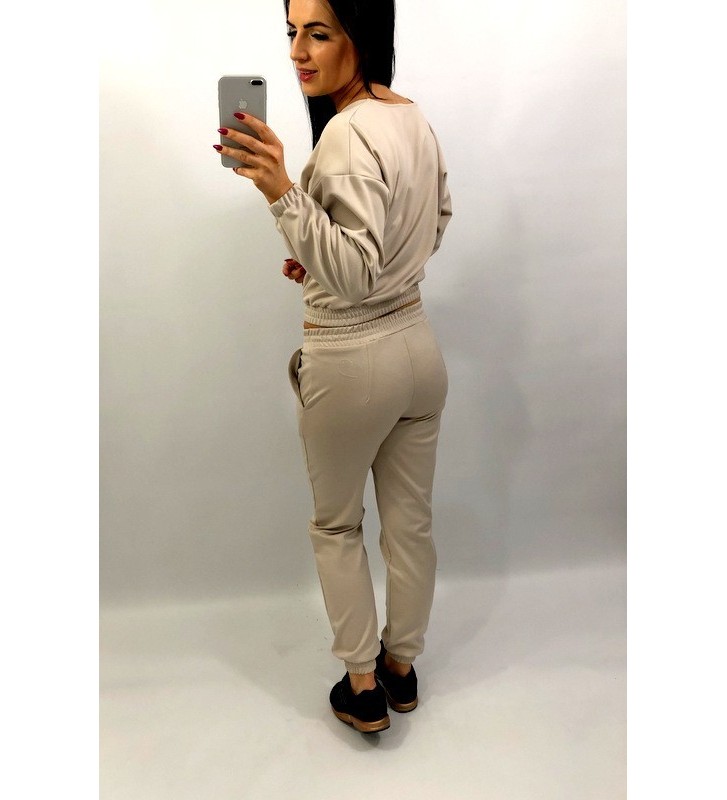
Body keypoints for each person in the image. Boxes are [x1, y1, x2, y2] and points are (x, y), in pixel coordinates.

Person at [212, 0, 452, 734]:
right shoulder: (410, 116)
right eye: (292, 32)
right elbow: (435, 219)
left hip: (353, 362)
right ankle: (402, 667)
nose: (297, 52)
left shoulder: (346, 133)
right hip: (419, 350)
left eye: (318, 32)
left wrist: (282, 192)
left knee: (336, 527)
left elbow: (352, 273)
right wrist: (322, 252)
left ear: (361, 35)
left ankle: (363, 684)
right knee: (409, 525)